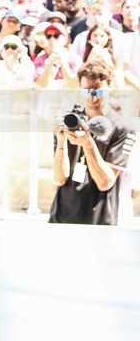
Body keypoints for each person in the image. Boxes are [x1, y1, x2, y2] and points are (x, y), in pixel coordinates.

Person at [49, 62, 135, 225]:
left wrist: (88, 144)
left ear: (110, 87)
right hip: (62, 216)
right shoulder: (71, 121)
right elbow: (59, 179)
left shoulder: (123, 128)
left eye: (98, 91)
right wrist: (61, 142)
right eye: (86, 91)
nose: (92, 97)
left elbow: (105, 183)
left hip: (99, 220)